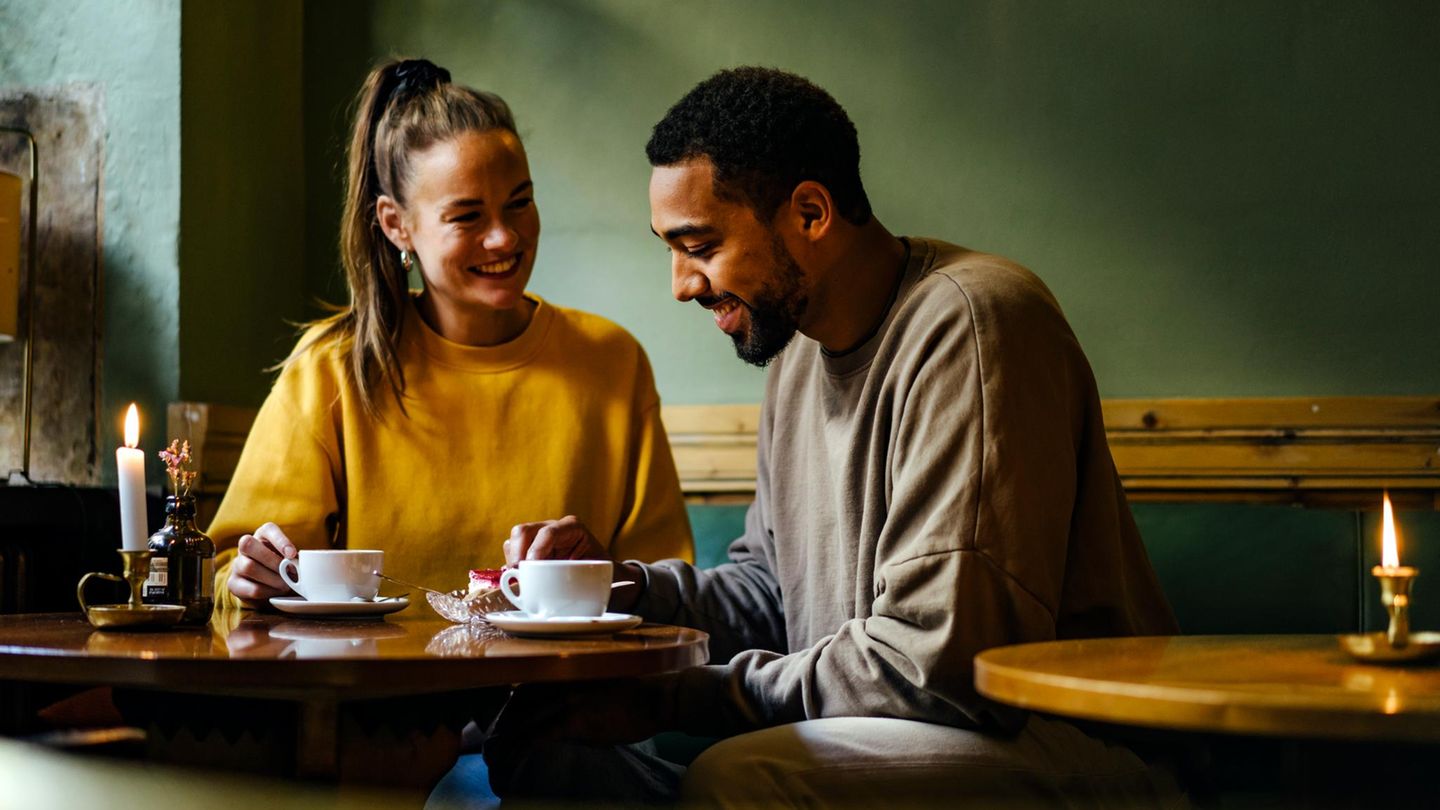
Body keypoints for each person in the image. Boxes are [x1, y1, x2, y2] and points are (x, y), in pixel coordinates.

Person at [482, 67, 1182, 807]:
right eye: (672, 250)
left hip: (1066, 743)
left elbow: (935, 663)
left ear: (810, 213)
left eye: (700, 245)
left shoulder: (976, 325)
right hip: (904, 734)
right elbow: (769, 595)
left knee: (742, 778)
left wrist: (672, 699)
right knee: (546, 748)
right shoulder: (797, 356)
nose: (682, 284)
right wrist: (614, 588)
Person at [208, 58, 692, 609]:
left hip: (566, 691)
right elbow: (228, 574)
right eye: (467, 217)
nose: (504, 238)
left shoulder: (613, 360)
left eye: (520, 203)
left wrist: (606, 576)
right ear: (396, 224)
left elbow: (665, 584)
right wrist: (248, 581)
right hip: (373, 692)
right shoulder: (330, 366)